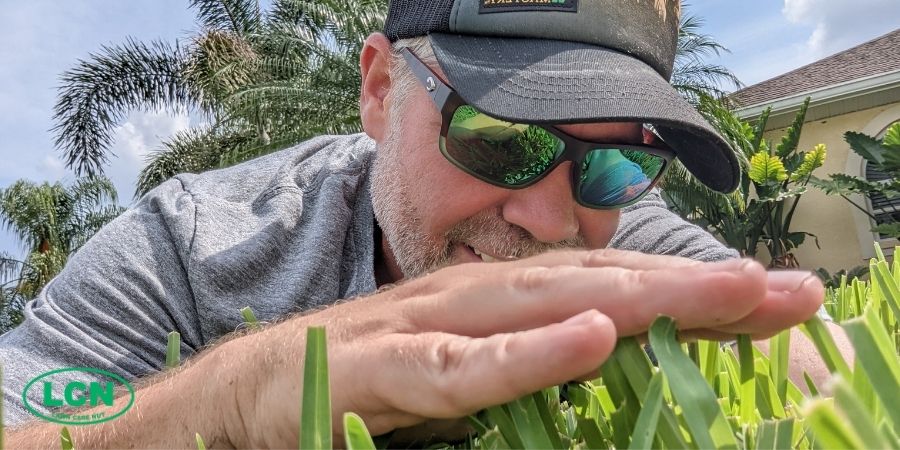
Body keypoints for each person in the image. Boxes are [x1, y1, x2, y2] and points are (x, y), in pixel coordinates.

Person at [3, 0, 837, 447]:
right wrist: (233, 398)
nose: (553, 220)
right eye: (500, 139)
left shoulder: (617, 227)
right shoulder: (189, 242)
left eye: (617, 160)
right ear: (378, 90)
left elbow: (793, 352)